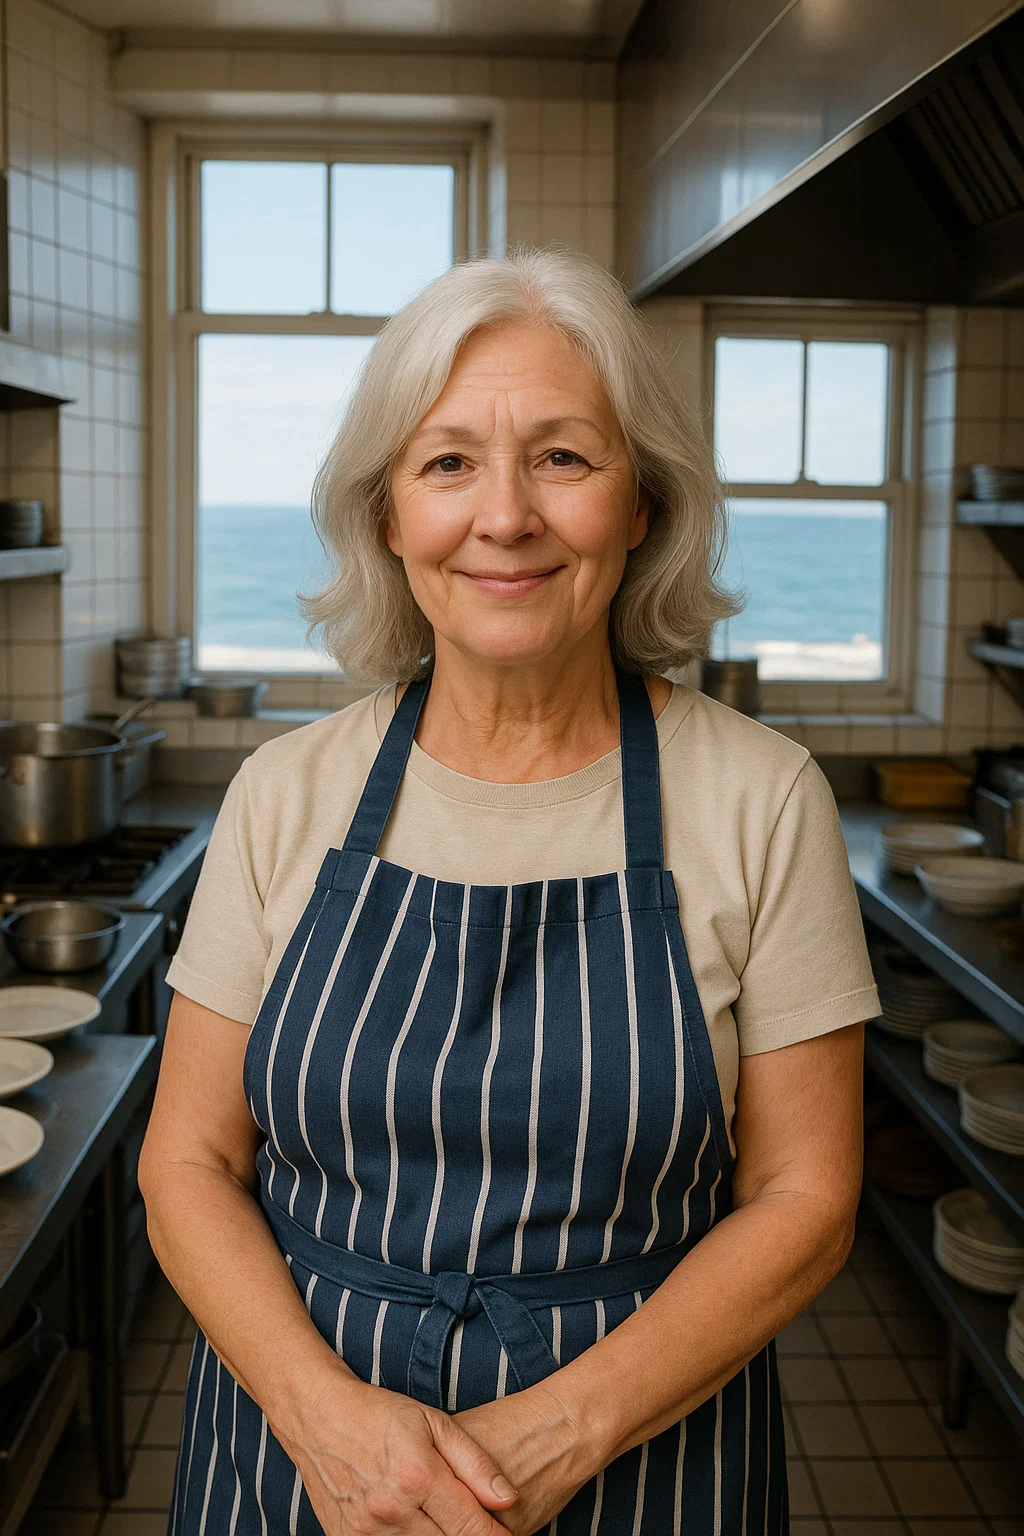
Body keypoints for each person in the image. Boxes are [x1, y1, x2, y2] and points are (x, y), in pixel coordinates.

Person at [141, 246, 879, 1536]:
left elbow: (805, 1202)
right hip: (306, 1467)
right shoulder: (284, 793)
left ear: (640, 501)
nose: (505, 516)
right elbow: (189, 1162)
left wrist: (549, 1439)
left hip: (647, 1466)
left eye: (562, 457)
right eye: (448, 462)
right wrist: (325, 1420)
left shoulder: (762, 799)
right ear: (388, 514)